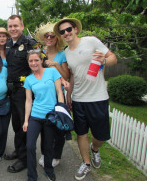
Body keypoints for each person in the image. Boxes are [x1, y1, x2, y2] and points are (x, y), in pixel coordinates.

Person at [53, 18, 117, 180]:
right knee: (81, 133)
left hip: (98, 97)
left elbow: (113, 58)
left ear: (75, 29)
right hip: (79, 98)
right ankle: (86, 163)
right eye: (62, 32)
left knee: (101, 136)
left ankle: (94, 149)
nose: (66, 33)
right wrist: (69, 95)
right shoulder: (67, 52)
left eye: (68, 29)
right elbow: (73, 75)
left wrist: (104, 60)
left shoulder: (91, 41)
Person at [23, 50, 64, 181]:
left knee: (48, 146)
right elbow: (29, 100)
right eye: (31, 61)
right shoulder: (28, 79)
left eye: (36, 60)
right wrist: (26, 121)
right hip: (35, 116)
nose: (33, 63)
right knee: (29, 145)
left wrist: (61, 112)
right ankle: (32, 175)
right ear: (28, 63)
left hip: (51, 116)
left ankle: (48, 169)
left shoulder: (52, 72)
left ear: (41, 60)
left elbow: (59, 92)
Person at [5, 15, 37, 173]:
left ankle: (24, 159)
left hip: (25, 92)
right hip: (11, 91)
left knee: (25, 125)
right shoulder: (9, 44)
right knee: (16, 124)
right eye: (10, 26)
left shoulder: (30, 44)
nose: (13, 29)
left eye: (15, 26)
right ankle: (19, 151)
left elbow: (38, 66)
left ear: (22, 26)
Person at [35, 22, 70, 168]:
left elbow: (66, 76)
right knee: (45, 126)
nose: (49, 38)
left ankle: (56, 155)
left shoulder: (62, 55)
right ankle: (45, 152)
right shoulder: (40, 53)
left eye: (52, 36)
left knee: (58, 127)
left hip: (57, 95)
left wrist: (55, 64)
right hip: (43, 96)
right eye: (47, 36)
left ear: (57, 38)